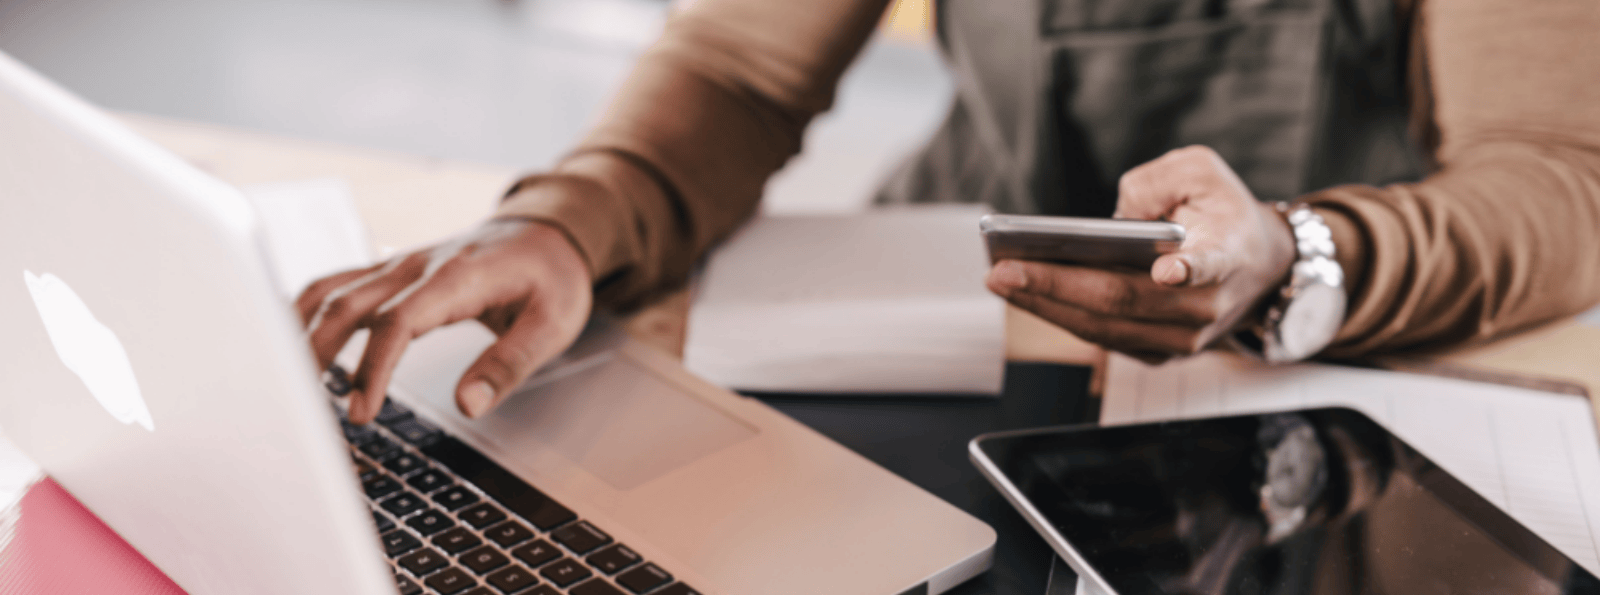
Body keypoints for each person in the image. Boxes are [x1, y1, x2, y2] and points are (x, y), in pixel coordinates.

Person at [297, 0, 1600, 424]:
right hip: (945, 326)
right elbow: (741, 67)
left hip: (1345, 356)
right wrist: (573, 220)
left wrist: (1295, 254)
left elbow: (1556, 172)